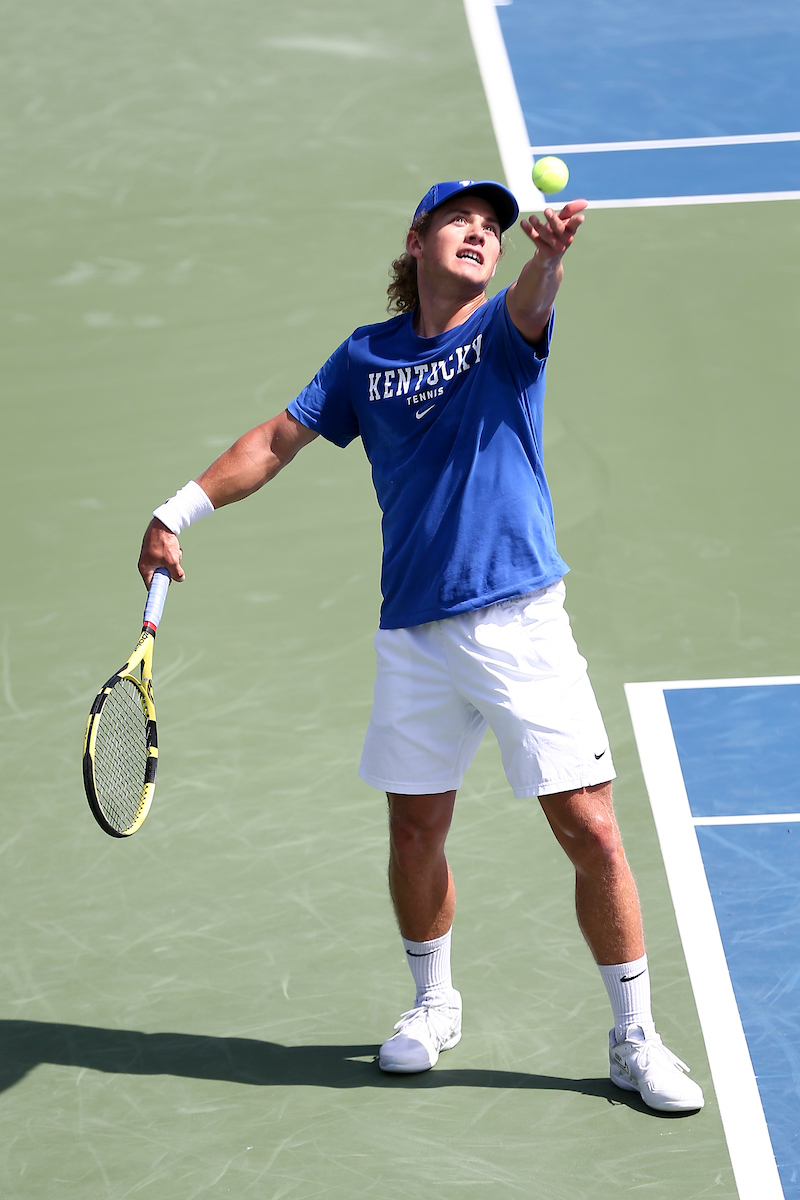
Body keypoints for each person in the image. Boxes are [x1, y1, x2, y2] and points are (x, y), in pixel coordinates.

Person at [139, 179, 704, 1112]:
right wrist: (177, 510)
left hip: (518, 618)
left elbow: (531, 302)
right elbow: (277, 438)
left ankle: (634, 1037)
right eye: (462, 222)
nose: (481, 233)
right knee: (414, 830)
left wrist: (549, 256)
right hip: (414, 631)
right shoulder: (365, 358)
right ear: (417, 242)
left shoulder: (500, 336)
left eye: (492, 227)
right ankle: (433, 1004)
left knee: (591, 830)